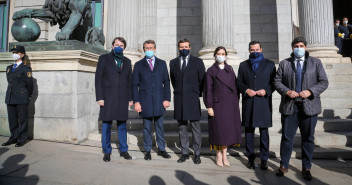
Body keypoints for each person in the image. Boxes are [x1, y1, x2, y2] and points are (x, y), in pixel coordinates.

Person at [274, 37, 329, 181]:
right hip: (290, 107)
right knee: (286, 138)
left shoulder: (315, 63)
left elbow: (323, 82)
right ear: (292, 48)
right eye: (296, 46)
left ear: (305, 47)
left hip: (309, 107)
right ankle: (283, 165)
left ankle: (306, 167)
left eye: (301, 45)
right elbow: (277, 81)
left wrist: (310, 91)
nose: (299, 48)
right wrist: (287, 91)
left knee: (308, 138)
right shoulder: (284, 63)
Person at [236, 41, 276, 170]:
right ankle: (250, 158)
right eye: (252, 50)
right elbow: (239, 81)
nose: (255, 52)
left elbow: (274, 82)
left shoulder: (269, 65)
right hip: (249, 102)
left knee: (264, 133)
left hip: (263, 102)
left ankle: (264, 159)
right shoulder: (243, 65)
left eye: (257, 49)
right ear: (249, 50)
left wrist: (266, 90)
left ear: (261, 49)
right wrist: (246, 90)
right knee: (249, 133)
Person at [132, 40, 171, 161]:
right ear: (144, 50)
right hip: (145, 101)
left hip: (159, 101)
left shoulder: (162, 63)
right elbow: (134, 85)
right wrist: (136, 102)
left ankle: (162, 149)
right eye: (147, 48)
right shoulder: (139, 65)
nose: (149, 50)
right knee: (147, 127)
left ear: (155, 49)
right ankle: (148, 150)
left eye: (151, 48)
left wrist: (167, 98)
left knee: (160, 127)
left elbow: (166, 82)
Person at [95, 37, 133, 162]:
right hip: (107, 97)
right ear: (112, 46)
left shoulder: (127, 61)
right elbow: (98, 79)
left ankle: (124, 150)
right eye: (117, 44)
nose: (119, 47)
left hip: (122, 98)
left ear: (124, 48)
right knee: (106, 125)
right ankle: (106, 151)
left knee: (122, 125)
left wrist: (131, 97)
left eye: (121, 45)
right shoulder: (103, 59)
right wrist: (99, 97)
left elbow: (130, 81)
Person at [203, 46, 242, 167]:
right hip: (217, 105)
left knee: (227, 132)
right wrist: (209, 106)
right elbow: (207, 90)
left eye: (223, 53)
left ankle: (225, 154)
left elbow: (234, 86)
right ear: (215, 55)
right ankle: (218, 154)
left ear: (226, 55)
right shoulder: (211, 71)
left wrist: (236, 101)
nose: (221, 55)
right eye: (219, 53)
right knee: (218, 131)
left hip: (230, 105)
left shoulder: (230, 69)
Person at [169, 38, 205, 164]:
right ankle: (184, 152)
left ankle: (197, 153)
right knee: (182, 127)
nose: (184, 49)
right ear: (178, 48)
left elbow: (202, 80)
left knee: (196, 127)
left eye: (186, 47)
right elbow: (173, 80)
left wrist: (196, 93)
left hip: (192, 99)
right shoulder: (173, 62)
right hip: (179, 99)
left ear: (190, 48)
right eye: (181, 47)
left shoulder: (198, 62)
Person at [2, 45, 33, 147]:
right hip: (10, 97)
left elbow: (29, 84)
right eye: (13, 52)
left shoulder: (26, 68)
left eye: (17, 52)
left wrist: (27, 95)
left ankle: (22, 138)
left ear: (22, 54)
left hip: (21, 97)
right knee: (12, 119)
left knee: (22, 119)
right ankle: (13, 137)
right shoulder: (9, 68)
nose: (14, 54)